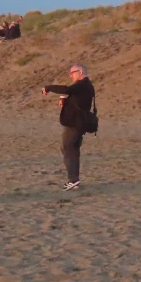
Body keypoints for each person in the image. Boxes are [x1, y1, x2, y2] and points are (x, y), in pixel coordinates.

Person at [42, 63, 95, 191]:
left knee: (67, 148)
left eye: (73, 72)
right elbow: (73, 95)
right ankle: (74, 179)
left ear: (81, 72)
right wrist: (64, 98)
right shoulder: (85, 86)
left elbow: (67, 89)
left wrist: (48, 87)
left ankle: (73, 180)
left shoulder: (83, 85)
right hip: (80, 123)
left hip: (76, 124)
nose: (70, 75)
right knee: (72, 150)